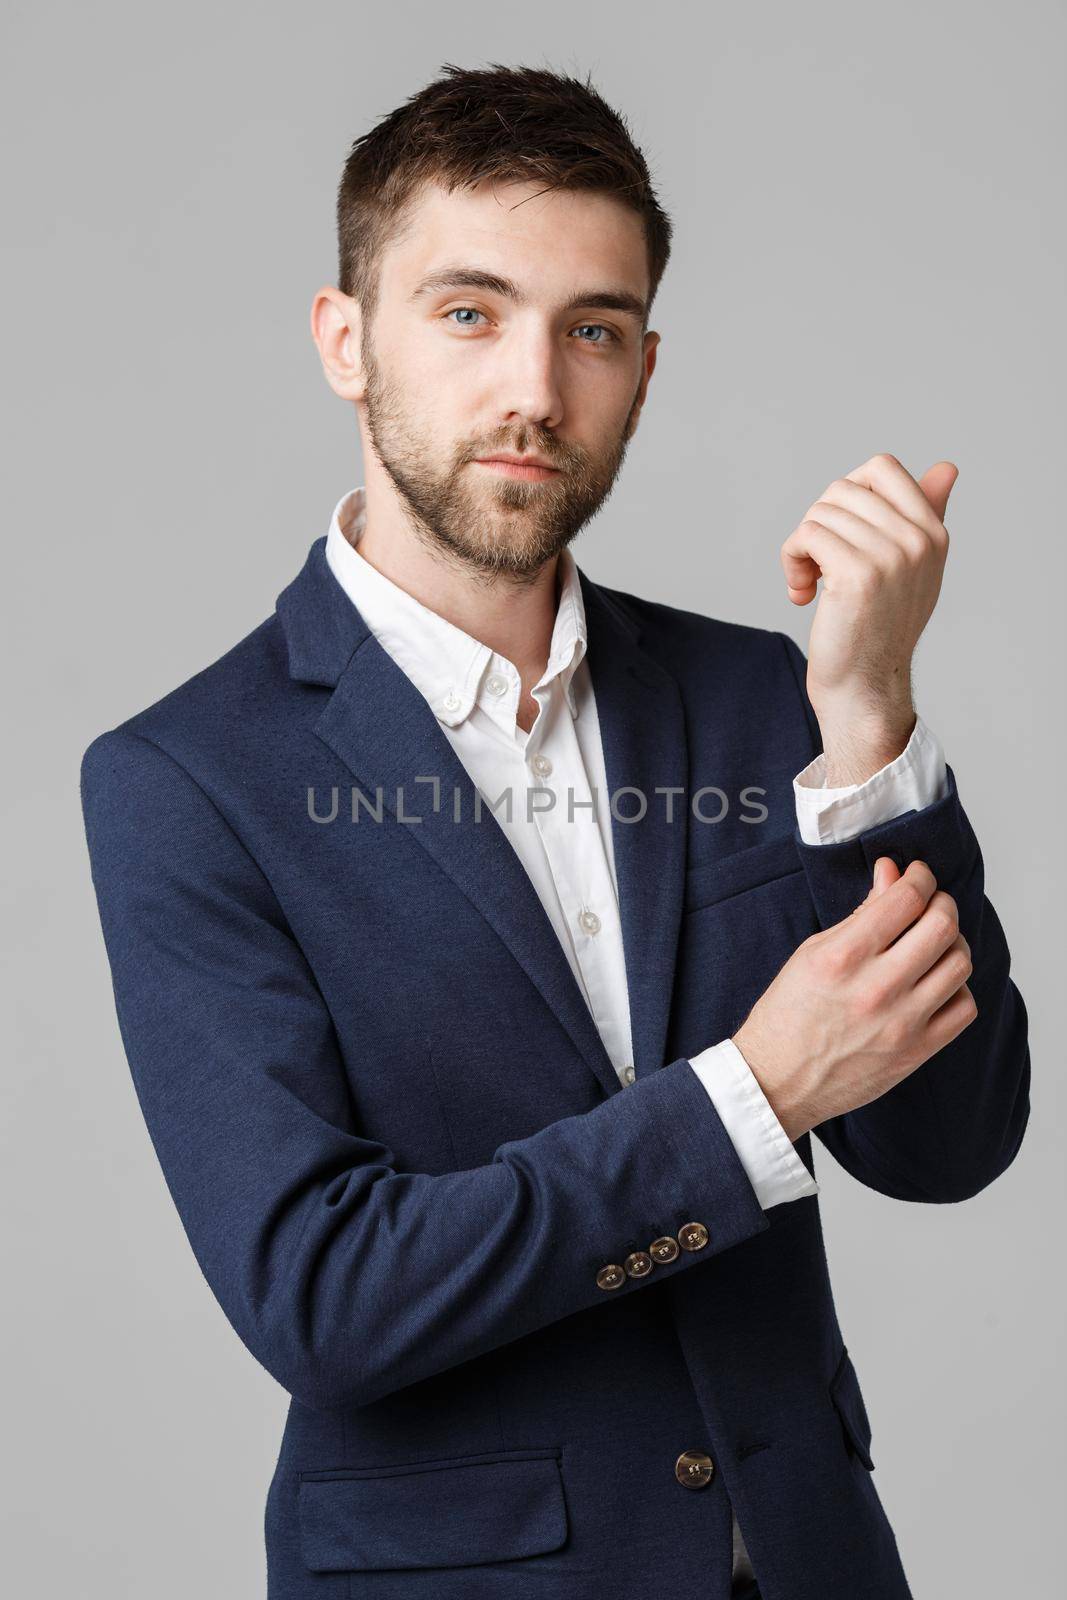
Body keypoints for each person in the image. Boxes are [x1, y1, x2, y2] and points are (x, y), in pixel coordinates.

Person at [79, 62, 1030, 1600]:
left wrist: (868, 722)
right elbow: (326, 1298)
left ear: (644, 369)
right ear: (345, 340)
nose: (534, 386)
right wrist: (755, 1092)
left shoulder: (754, 694)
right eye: (468, 313)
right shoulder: (187, 779)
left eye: (590, 329)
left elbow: (948, 1144)